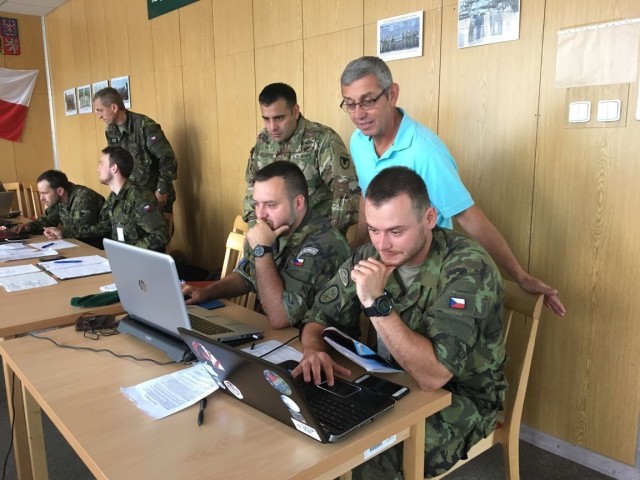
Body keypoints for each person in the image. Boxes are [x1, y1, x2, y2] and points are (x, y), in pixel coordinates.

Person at [293, 167, 507, 479]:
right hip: (389, 382)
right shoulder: (370, 254)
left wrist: (376, 303)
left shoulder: (468, 269)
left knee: (364, 458)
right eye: (375, 230)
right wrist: (313, 350)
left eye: (396, 231)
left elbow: (434, 377)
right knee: (307, 421)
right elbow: (317, 318)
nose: (383, 245)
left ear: (429, 219)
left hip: (460, 401)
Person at [339, 56, 565, 316]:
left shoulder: (425, 152)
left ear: (392, 94)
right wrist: (356, 246)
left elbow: (468, 216)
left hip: (426, 271)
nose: (358, 114)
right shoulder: (359, 140)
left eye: (368, 101)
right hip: (387, 264)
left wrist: (519, 275)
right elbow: (368, 197)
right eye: (350, 103)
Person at [184, 161, 350, 329]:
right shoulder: (276, 227)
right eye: (257, 204)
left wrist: (262, 250)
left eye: (271, 205)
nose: (260, 215)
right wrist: (207, 292)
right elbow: (246, 275)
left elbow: (281, 317)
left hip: (321, 346)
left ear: (298, 203)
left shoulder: (322, 245)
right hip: (283, 337)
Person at [243, 82, 360, 236]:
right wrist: (256, 228)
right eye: (266, 119)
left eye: (279, 118)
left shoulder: (323, 140)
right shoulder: (264, 140)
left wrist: (328, 238)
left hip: (314, 237)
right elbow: (252, 188)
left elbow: (346, 195)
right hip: (273, 237)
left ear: (295, 111)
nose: (272, 127)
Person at [45, 147, 169, 252]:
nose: (98, 169)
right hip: (118, 258)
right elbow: (102, 227)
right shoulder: (113, 197)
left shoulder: (139, 197)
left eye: (101, 163)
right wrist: (64, 232)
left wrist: (131, 253)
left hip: (139, 263)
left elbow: (160, 235)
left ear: (114, 168)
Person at [92, 87, 177, 231]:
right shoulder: (110, 130)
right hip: (131, 193)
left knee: (158, 235)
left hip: (154, 191)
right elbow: (115, 161)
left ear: (113, 107)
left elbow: (167, 158)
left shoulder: (144, 125)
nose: (99, 116)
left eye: (100, 110)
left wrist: (162, 190)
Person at [10, 170, 105, 248]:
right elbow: (48, 219)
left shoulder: (83, 198)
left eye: (45, 193)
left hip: (95, 247)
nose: (41, 198)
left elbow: (84, 232)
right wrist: (28, 227)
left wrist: (62, 232)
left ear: (60, 191)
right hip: (76, 244)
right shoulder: (58, 199)